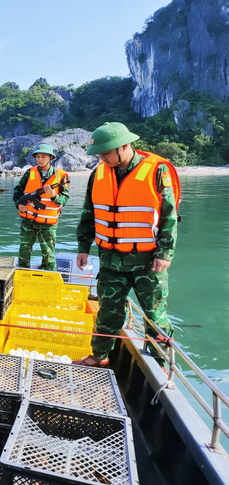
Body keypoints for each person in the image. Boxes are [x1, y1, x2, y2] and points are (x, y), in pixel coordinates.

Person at [74, 122, 180, 367]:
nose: (102, 158)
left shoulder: (157, 171)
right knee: (107, 313)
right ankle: (99, 357)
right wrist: (83, 247)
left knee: (155, 317)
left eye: (106, 153)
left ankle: (163, 366)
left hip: (148, 262)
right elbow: (88, 214)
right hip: (111, 261)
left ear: (124, 146)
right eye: (99, 154)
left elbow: (169, 216)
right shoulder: (98, 173)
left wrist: (164, 253)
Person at [12, 143, 69, 270]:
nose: (40, 159)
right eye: (38, 157)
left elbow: (64, 199)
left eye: (43, 156)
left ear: (51, 158)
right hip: (28, 221)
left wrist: (54, 196)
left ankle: (51, 282)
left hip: (48, 224)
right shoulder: (29, 173)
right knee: (24, 254)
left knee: (49, 256)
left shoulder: (61, 176)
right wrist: (19, 205)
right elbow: (17, 191)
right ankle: (22, 276)